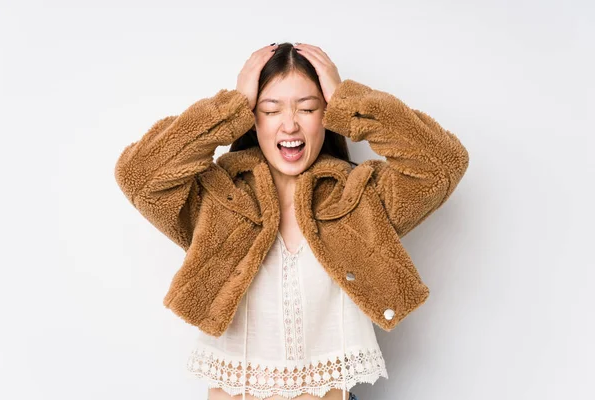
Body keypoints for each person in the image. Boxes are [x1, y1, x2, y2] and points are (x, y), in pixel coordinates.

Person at [114, 42, 469, 400]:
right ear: (252, 118)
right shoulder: (219, 199)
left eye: (308, 107)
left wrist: (350, 101)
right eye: (270, 110)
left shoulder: (359, 199)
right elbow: (139, 176)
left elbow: (443, 164)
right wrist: (228, 108)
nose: (290, 124)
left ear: (327, 115)